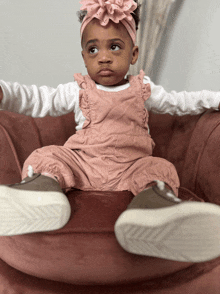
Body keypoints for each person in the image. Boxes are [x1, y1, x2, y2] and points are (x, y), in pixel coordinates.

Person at [0, 0, 220, 263]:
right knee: (48, 156)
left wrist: (215, 99)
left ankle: (154, 216)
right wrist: (5, 93)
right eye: (93, 49)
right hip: (82, 163)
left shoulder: (143, 89)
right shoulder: (78, 89)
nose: (103, 56)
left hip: (131, 167)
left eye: (114, 47)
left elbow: (181, 102)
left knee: (158, 168)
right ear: (84, 57)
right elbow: (36, 99)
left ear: (133, 54)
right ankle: (38, 196)